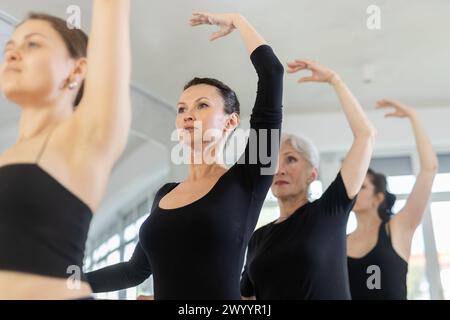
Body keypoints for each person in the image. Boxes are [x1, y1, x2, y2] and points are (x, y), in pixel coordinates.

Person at [86, 11, 284, 300]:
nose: (188, 115)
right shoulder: (164, 195)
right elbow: (133, 271)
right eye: (181, 109)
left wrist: (239, 21)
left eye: (202, 105)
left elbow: (272, 72)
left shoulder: (250, 177)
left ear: (230, 122)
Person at [0, 0, 131, 299]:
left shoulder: (86, 137)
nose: (12, 54)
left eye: (32, 44)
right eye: (9, 47)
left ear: (78, 69)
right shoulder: (6, 157)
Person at [240, 59, 376, 300]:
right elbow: (245, 299)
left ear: (312, 173)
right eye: (273, 163)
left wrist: (335, 80)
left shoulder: (329, 211)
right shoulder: (258, 238)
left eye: (291, 159)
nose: (279, 170)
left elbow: (365, 136)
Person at [347, 99, 438, 300]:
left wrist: (414, 117)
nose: (355, 190)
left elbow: (429, 169)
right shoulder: (341, 240)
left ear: (378, 197)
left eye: (362, 187)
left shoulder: (398, 228)